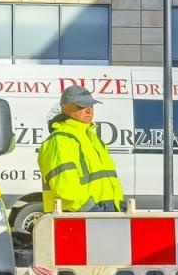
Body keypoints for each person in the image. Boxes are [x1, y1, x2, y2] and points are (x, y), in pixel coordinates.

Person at [37, 85, 124, 214]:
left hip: (104, 211)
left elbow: (109, 179)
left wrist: (118, 204)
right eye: (81, 106)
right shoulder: (60, 140)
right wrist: (90, 209)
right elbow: (65, 185)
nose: (89, 110)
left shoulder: (92, 138)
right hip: (81, 215)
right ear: (64, 108)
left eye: (91, 105)